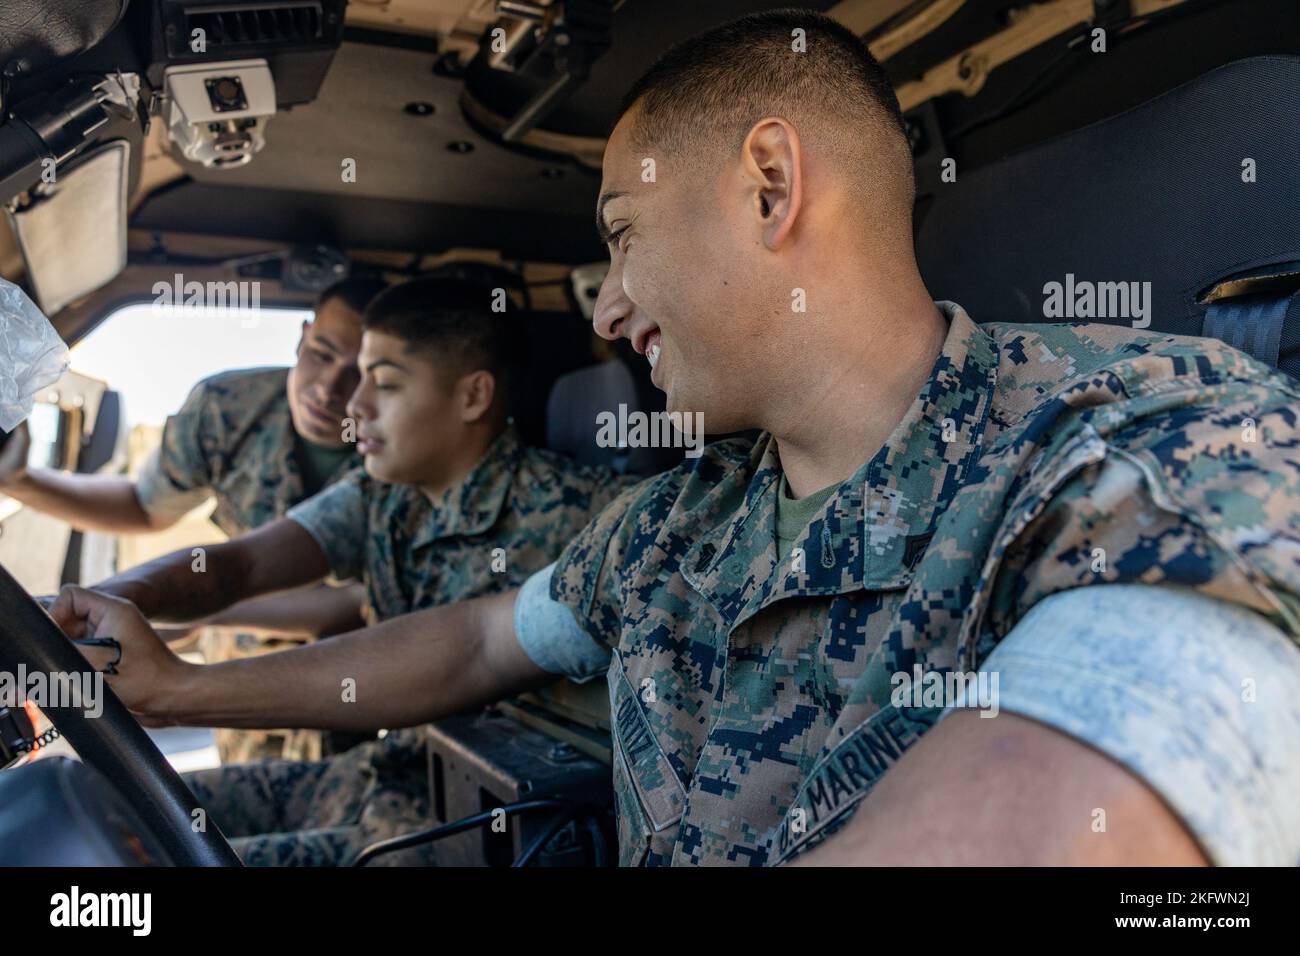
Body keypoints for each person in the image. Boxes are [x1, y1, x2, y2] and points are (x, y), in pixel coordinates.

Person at [56, 10, 1300, 866]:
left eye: (624, 236)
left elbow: (1150, 729)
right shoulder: (679, 517)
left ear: (769, 187)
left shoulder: (1137, 440)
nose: (601, 306)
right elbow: (486, 632)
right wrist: (178, 683)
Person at [61, 274, 631, 864]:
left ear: (472, 397)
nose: (355, 405)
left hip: (482, 823)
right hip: (380, 775)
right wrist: (107, 598)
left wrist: (174, 688)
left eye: (383, 384)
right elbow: (240, 563)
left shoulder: (587, 515)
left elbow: (469, 653)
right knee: (100, 804)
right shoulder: (381, 495)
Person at [3, 275, 387, 760]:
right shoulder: (230, 409)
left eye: (359, 372)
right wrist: (20, 482)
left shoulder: (397, 446)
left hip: (354, 678)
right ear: (302, 335)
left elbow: (356, 603)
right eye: (321, 354)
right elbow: (149, 508)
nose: (330, 389)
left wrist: (198, 615)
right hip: (238, 673)